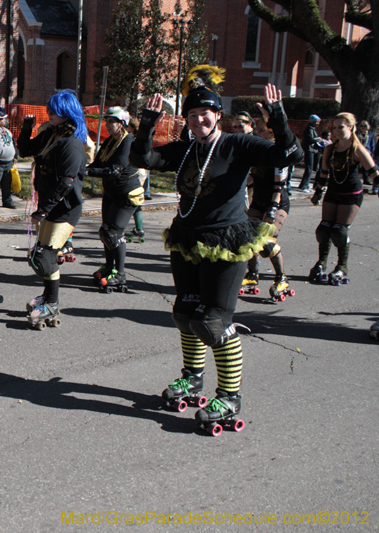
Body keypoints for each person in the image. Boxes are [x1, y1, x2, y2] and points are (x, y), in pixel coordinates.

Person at [130, 65, 303, 432]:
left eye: (204, 113)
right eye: (191, 115)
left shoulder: (237, 144)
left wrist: (278, 118)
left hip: (227, 241)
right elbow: (141, 159)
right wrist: (147, 123)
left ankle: (230, 395)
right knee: (184, 314)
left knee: (211, 322)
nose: (198, 120)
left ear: (217, 114)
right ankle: (192, 378)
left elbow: (289, 155)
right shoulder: (187, 149)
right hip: (188, 238)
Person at [17, 89, 87, 328]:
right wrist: (27, 128)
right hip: (50, 205)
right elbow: (26, 151)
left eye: (53, 111)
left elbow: (66, 184)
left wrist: (42, 211)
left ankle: (52, 302)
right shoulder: (51, 135)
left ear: (67, 113)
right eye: (48, 110)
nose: (49, 114)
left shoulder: (72, 144)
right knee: (41, 255)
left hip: (64, 208)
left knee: (44, 255)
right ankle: (47, 296)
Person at [309, 112, 379, 284]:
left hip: (351, 194)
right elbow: (324, 172)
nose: (337, 131)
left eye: (341, 127)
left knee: (339, 232)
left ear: (350, 127)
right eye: (334, 128)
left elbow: (373, 171)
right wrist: (318, 191)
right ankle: (321, 263)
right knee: (324, 230)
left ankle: (341, 266)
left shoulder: (357, 149)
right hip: (332, 192)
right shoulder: (329, 149)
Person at [85, 107, 142, 292]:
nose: (108, 125)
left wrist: (86, 171)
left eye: (112, 121)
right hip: (110, 193)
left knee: (114, 233)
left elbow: (114, 171)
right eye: (107, 121)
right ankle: (109, 267)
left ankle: (120, 273)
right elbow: (97, 164)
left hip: (126, 194)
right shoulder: (109, 142)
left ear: (122, 124)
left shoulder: (128, 142)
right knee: (105, 232)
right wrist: (80, 167)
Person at [241, 119, 293, 301]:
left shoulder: (278, 154)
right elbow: (253, 177)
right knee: (249, 238)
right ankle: (252, 274)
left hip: (276, 201)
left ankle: (281, 278)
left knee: (265, 242)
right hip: (259, 200)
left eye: (261, 130)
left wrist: (273, 207)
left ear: (271, 133)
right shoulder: (257, 151)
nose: (257, 133)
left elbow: (279, 185)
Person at [299, 114, 322, 192]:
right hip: (309, 149)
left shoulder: (312, 129)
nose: (318, 123)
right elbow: (310, 139)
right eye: (317, 122)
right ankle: (303, 186)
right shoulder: (309, 129)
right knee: (308, 168)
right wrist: (318, 139)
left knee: (311, 168)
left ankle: (306, 184)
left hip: (312, 149)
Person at [356, 120, 375, 185]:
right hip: (358, 151)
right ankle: (357, 179)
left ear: (367, 127)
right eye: (361, 126)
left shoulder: (369, 134)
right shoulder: (357, 133)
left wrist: (372, 152)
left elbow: (372, 143)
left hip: (367, 151)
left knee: (365, 167)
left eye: (365, 126)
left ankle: (366, 180)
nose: (363, 127)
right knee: (357, 166)